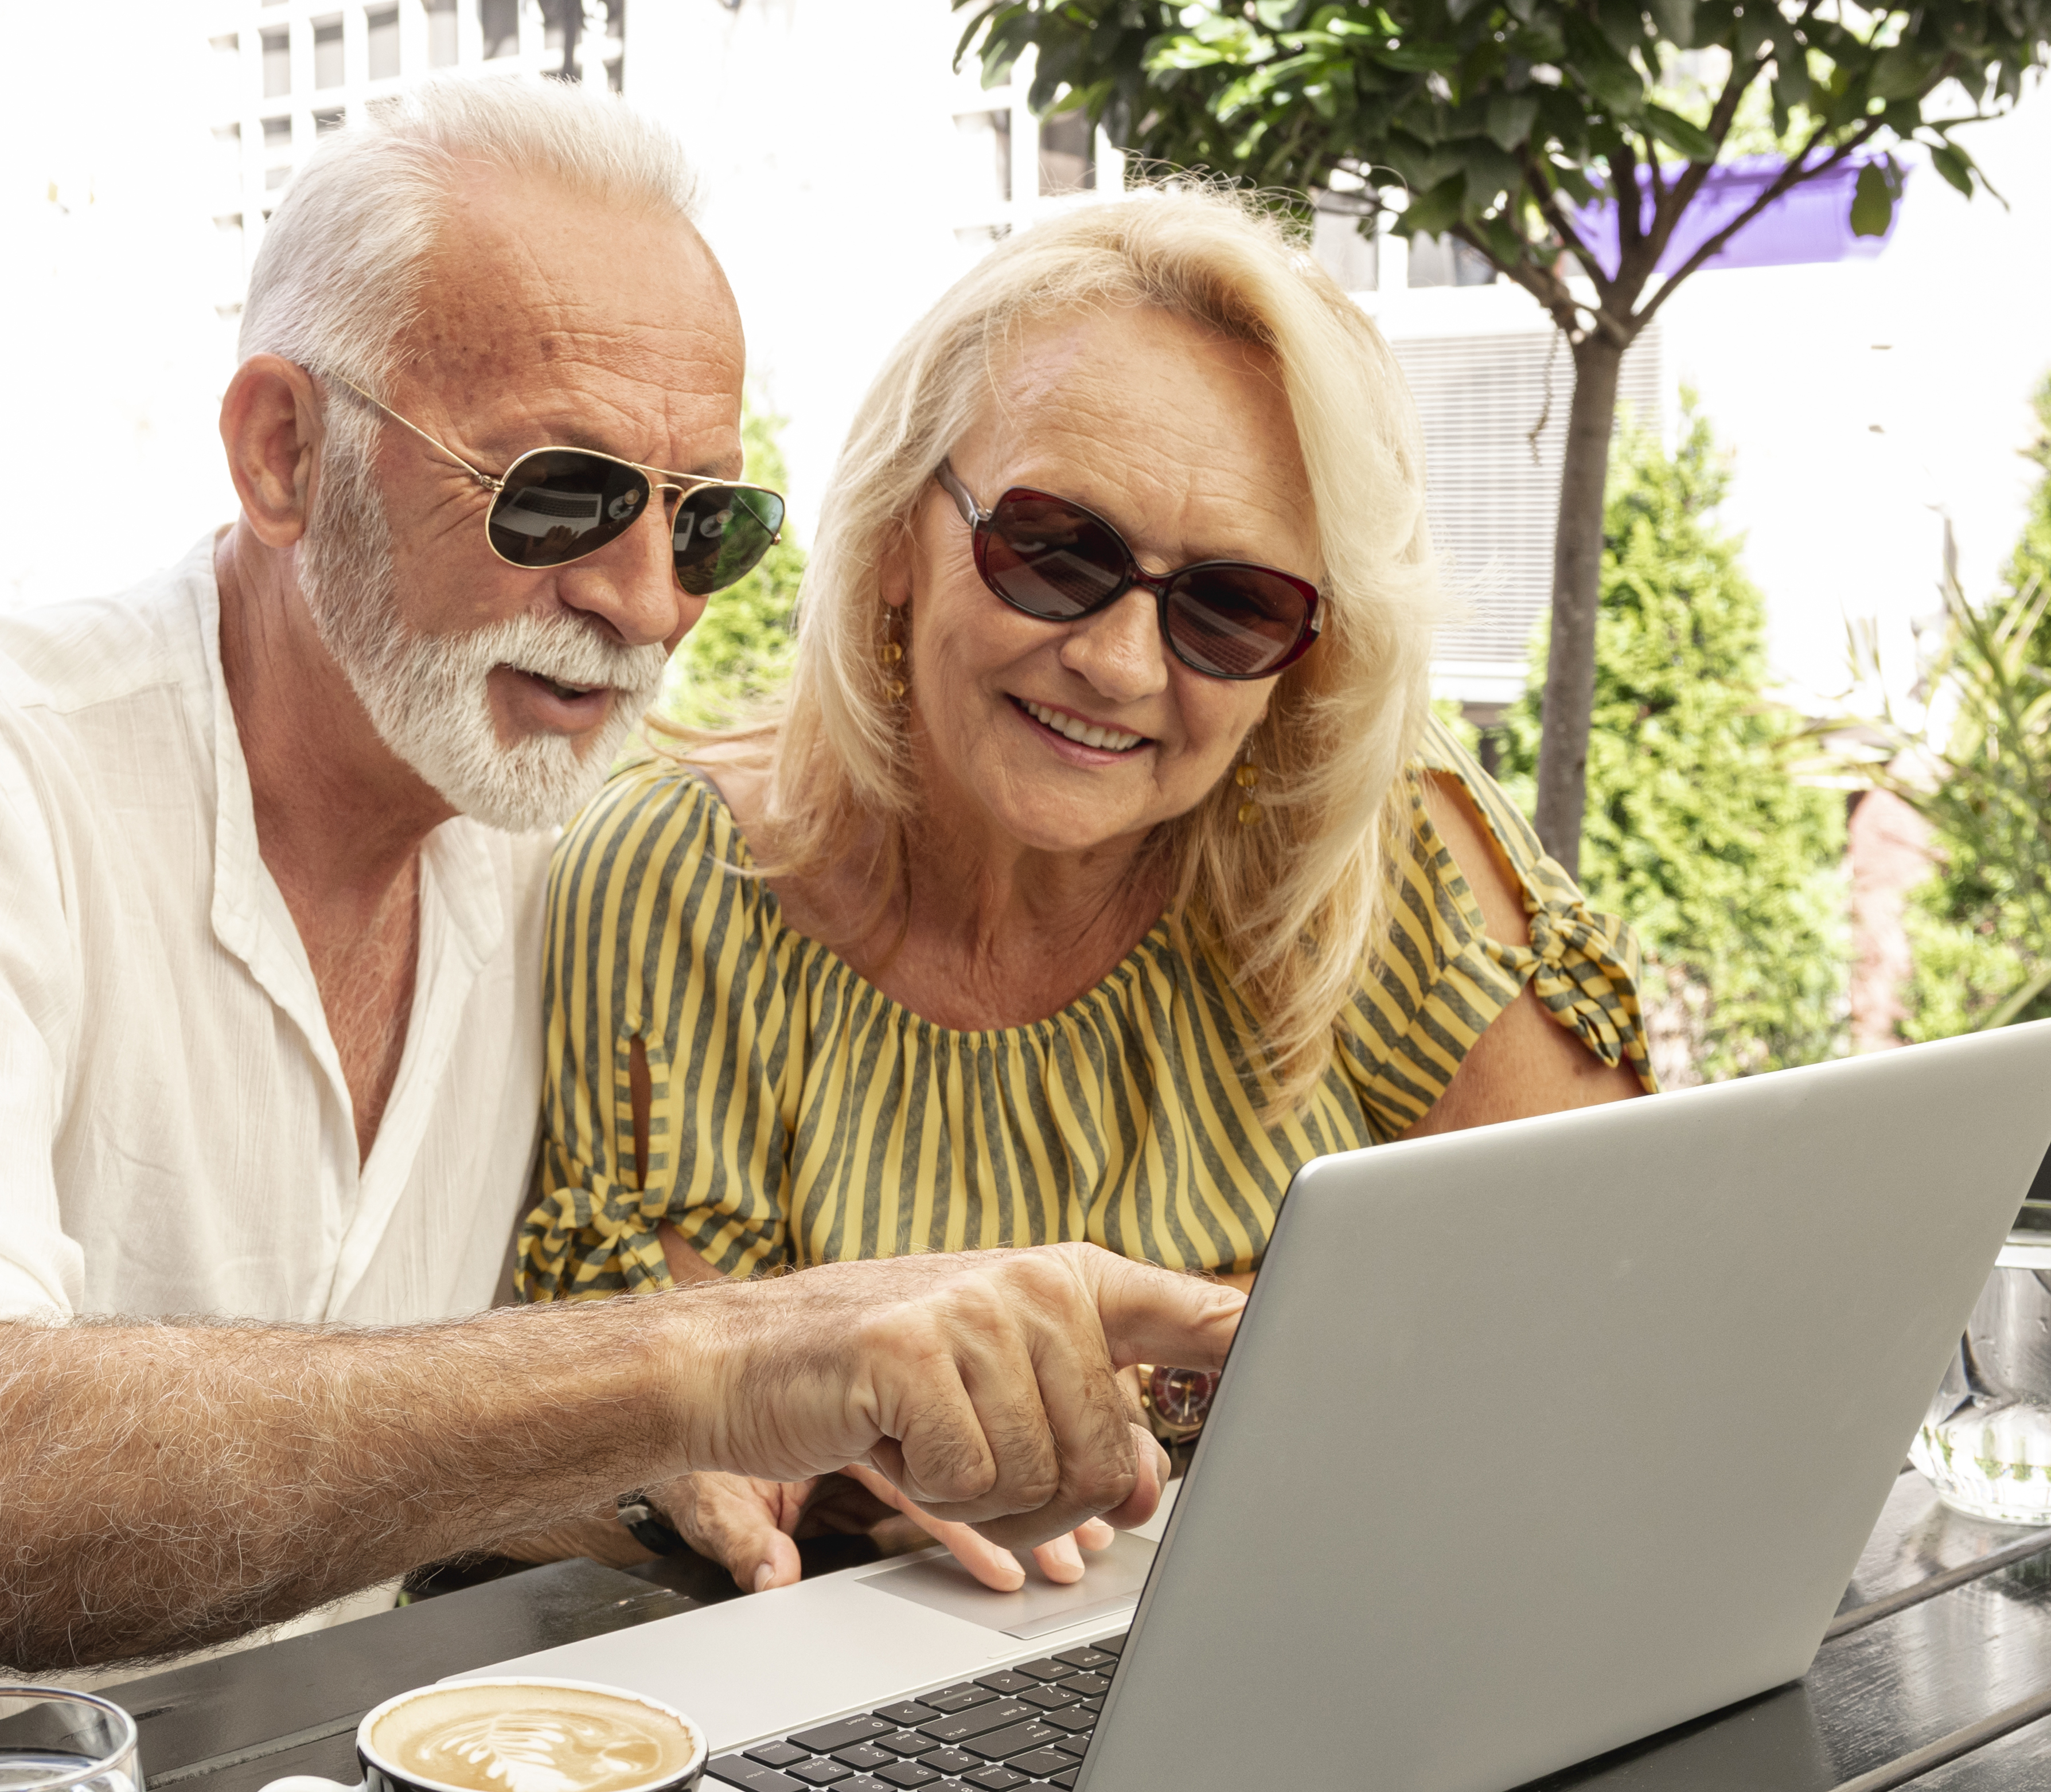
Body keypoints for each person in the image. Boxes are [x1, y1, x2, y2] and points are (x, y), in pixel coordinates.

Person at [0, 84, 1239, 1792]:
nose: (650, 600)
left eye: (707, 523)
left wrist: (689, 1453)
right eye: (562, 495)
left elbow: (350, 1416)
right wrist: (708, 1364)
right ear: (282, 452)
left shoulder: (555, 844)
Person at [521, 186, 1651, 1596]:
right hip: (902, 1662)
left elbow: (1612, 1305)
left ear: (1308, 650)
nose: (1119, 664)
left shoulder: (1374, 833)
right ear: (896, 535)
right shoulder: (686, 880)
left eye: (1234, 606)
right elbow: (709, 1441)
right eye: (1054, 551)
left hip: (1380, 1597)